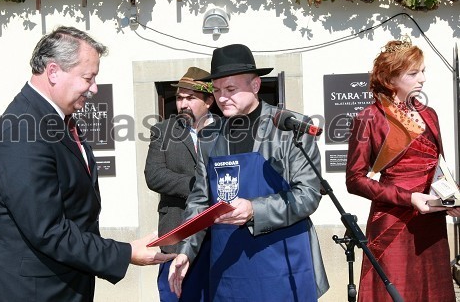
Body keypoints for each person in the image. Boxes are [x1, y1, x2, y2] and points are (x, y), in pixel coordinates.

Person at [0, 26, 175, 302]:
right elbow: (47, 231)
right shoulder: (21, 131)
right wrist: (126, 252)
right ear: (53, 72)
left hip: (64, 284)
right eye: (88, 77)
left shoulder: (56, 120)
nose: (94, 88)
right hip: (34, 292)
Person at [168, 44, 329, 301]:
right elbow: (199, 201)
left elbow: (308, 194)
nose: (222, 98)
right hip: (229, 264)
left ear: (255, 85)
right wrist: (185, 250)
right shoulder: (209, 137)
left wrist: (254, 209)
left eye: (231, 89)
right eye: (217, 90)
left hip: (282, 260)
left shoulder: (290, 129)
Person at [345, 37, 460, 301]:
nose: (422, 78)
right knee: (396, 291)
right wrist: (408, 198)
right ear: (390, 79)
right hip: (393, 221)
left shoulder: (430, 114)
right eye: (413, 73)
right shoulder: (369, 117)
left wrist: (452, 197)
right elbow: (355, 180)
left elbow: (436, 166)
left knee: (432, 290)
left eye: (423, 71)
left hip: (431, 219)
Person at [144, 67, 215, 301]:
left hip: (218, 239)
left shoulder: (225, 131)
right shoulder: (162, 131)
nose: (182, 104)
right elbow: (154, 175)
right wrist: (201, 187)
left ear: (209, 100)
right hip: (175, 237)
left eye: (190, 98)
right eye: (179, 98)